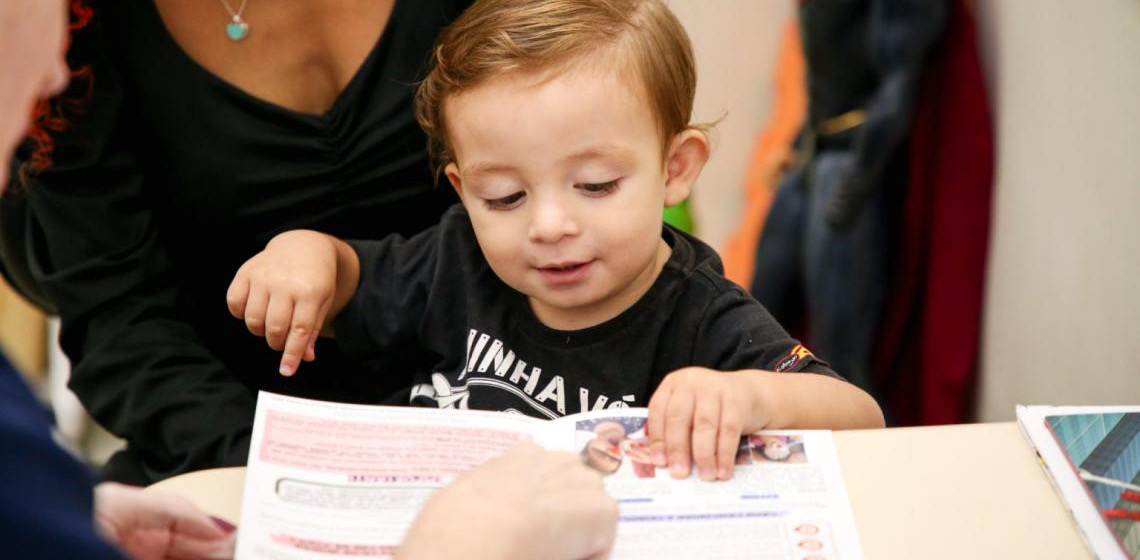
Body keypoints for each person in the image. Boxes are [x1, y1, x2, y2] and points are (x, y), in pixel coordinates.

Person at [2, 2, 617, 559]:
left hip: (507, 420)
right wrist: (287, 481)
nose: (50, 79)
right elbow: (121, 320)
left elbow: (611, 199)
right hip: (225, 454)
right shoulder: (74, 28)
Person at [228, 0, 886, 484]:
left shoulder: (699, 314)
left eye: (595, 185)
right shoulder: (459, 259)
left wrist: (750, 397)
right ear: (462, 189)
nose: (548, 226)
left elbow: (861, 416)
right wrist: (307, 251)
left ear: (675, 169)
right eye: (505, 198)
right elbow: (349, 279)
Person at [11, 0, 476, 485]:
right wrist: (272, 475)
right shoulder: (62, 24)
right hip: (224, 439)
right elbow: (117, 317)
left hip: (499, 392)